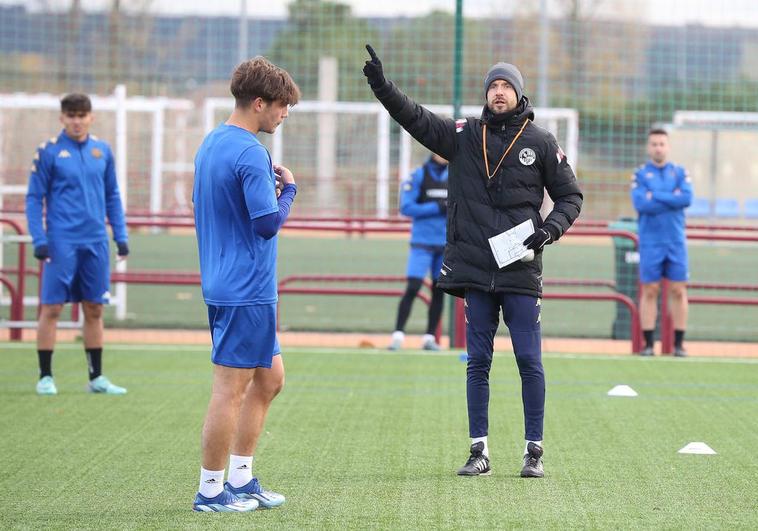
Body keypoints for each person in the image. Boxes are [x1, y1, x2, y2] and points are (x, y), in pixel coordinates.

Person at [363, 45, 583, 478]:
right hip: (474, 270)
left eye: (506, 86)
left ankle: (533, 452)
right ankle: (478, 451)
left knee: (529, 361)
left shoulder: (540, 142)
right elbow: (415, 118)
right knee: (477, 362)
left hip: (519, 268)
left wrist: (548, 230)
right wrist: (382, 86)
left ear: (519, 94)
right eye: (493, 86)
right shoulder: (463, 135)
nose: (499, 92)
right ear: (486, 94)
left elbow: (571, 196)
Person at [191, 56, 299, 512]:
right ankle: (210, 491)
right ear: (259, 103)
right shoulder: (252, 152)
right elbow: (266, 224)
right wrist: (290, 189)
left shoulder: (212, 141)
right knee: (229, 390)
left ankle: (240, 477)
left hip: (226, 283)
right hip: (245, 289)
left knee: (270, 379)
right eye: (281, 105)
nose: (284, 113)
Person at [26, 93, 129, 396]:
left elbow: (112, 195)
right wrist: (39, 238)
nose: (76, 120)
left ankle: (96, 378)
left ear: (91, 117)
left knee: (95, 309)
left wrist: (120, 235)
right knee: (52, 307)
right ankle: (46, 376)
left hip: (96, 241)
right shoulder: (49, 152)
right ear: (62, 118)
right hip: (61, 242)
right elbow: (34, 198)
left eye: (82, 115)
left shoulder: (102, 151)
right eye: (71, 115)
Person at [631, 128, 692, 357]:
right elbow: (640, 204)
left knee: (678, 290)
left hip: (675, 240)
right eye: (654, 144)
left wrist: (655, 195)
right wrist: (671, 198)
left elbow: (686, 198)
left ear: (668, 146)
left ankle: (679, 344)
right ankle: (648, 344)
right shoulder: (640, 174)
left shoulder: (679, 173)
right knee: (650, 290)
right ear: (649, 147)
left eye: (662, 144)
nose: (658, 147)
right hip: (650, 241)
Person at [389, 152, 448, 351]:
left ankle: (429, 338)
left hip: (446, 245)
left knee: (439, 291)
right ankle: (398, 336)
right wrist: (437, 207)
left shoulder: (457, 175)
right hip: (422, 244)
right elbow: (406, 207)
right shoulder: (419, 175)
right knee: (413, 287)